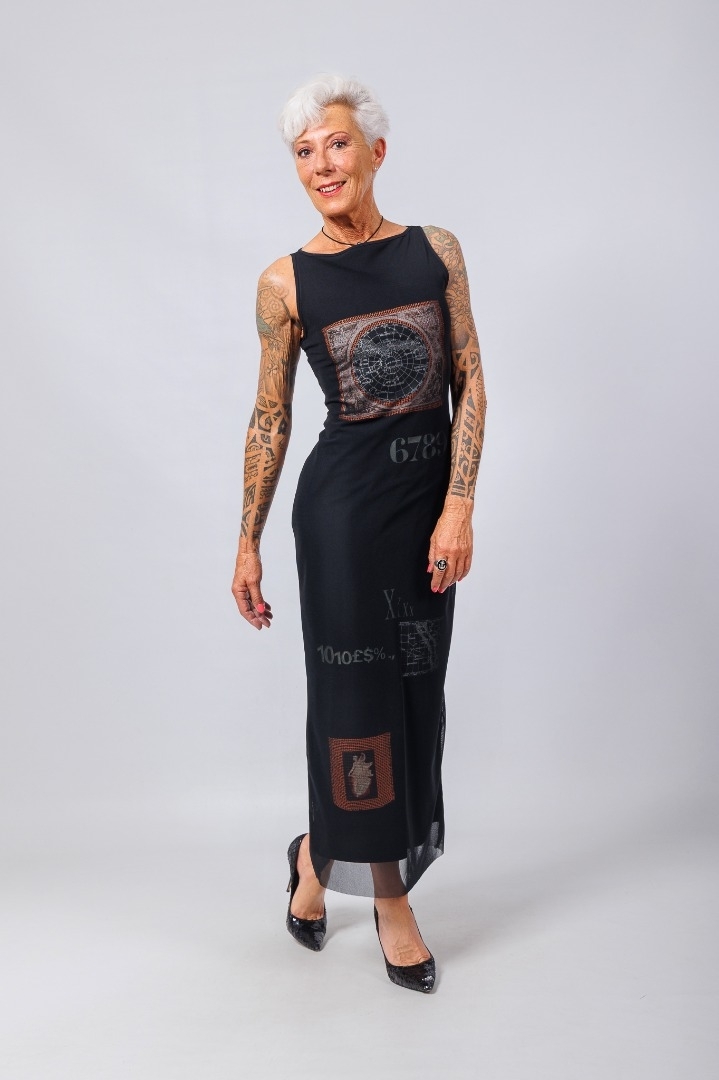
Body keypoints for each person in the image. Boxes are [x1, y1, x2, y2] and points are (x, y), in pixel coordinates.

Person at [231, 74, 487, 993]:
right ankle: (389, 899)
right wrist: (248, 539)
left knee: (416, 696)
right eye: (303, 153)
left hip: (423, 516)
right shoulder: (284, 282)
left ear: (375, 151)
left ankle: (312, 859)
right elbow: (269, 417)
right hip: (339, 519)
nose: (320, 165)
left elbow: (468, 377)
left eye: (335, 144)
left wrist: (458, 505)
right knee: (353, 710)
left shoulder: (435, 252)